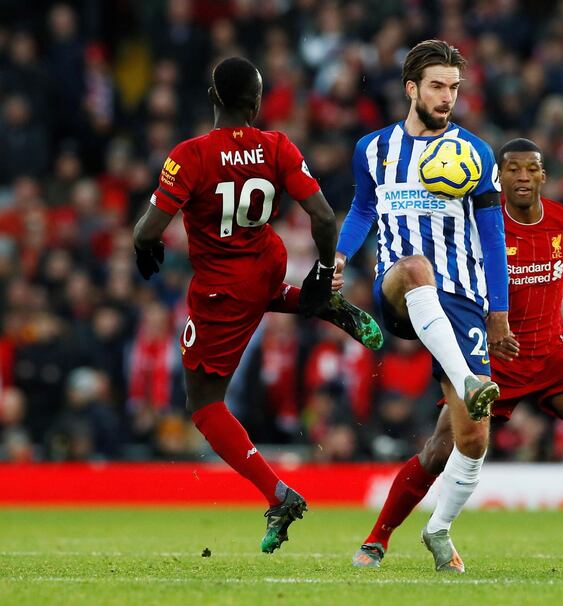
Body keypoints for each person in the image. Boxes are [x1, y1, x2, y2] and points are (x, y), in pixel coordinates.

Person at [352, 138, 563, 571]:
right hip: (492, 362)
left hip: (551, 356)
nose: (523, 177)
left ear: (544, 176)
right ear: (498, 177)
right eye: (513, 170)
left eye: (532, 169)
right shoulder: (477, 228)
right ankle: (377, 538)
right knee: (440, 450)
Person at [132, 57, 383, 554]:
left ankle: (278, 493)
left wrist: (144, 245)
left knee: (203, 406)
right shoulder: (277, 146)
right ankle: (324, 305)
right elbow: (323, 216)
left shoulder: (192, 154)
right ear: (257, 102)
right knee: (264, 295)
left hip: (221, 290)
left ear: (212, 99)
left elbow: (148, 229)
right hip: (267, 265)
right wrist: (320, 273)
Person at [333, 39, 516, 572]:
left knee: (467, 440)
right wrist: (341, 255)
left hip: (460, 300)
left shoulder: (477, 154)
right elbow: (363, 208)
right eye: (437, 86)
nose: (447, 96)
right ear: (412, 88)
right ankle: (469, 381)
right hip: (400, 286)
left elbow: (491, 237)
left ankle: (428, 531)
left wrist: (497, 312)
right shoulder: (373, 149)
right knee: (416, 267)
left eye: (454, 88)